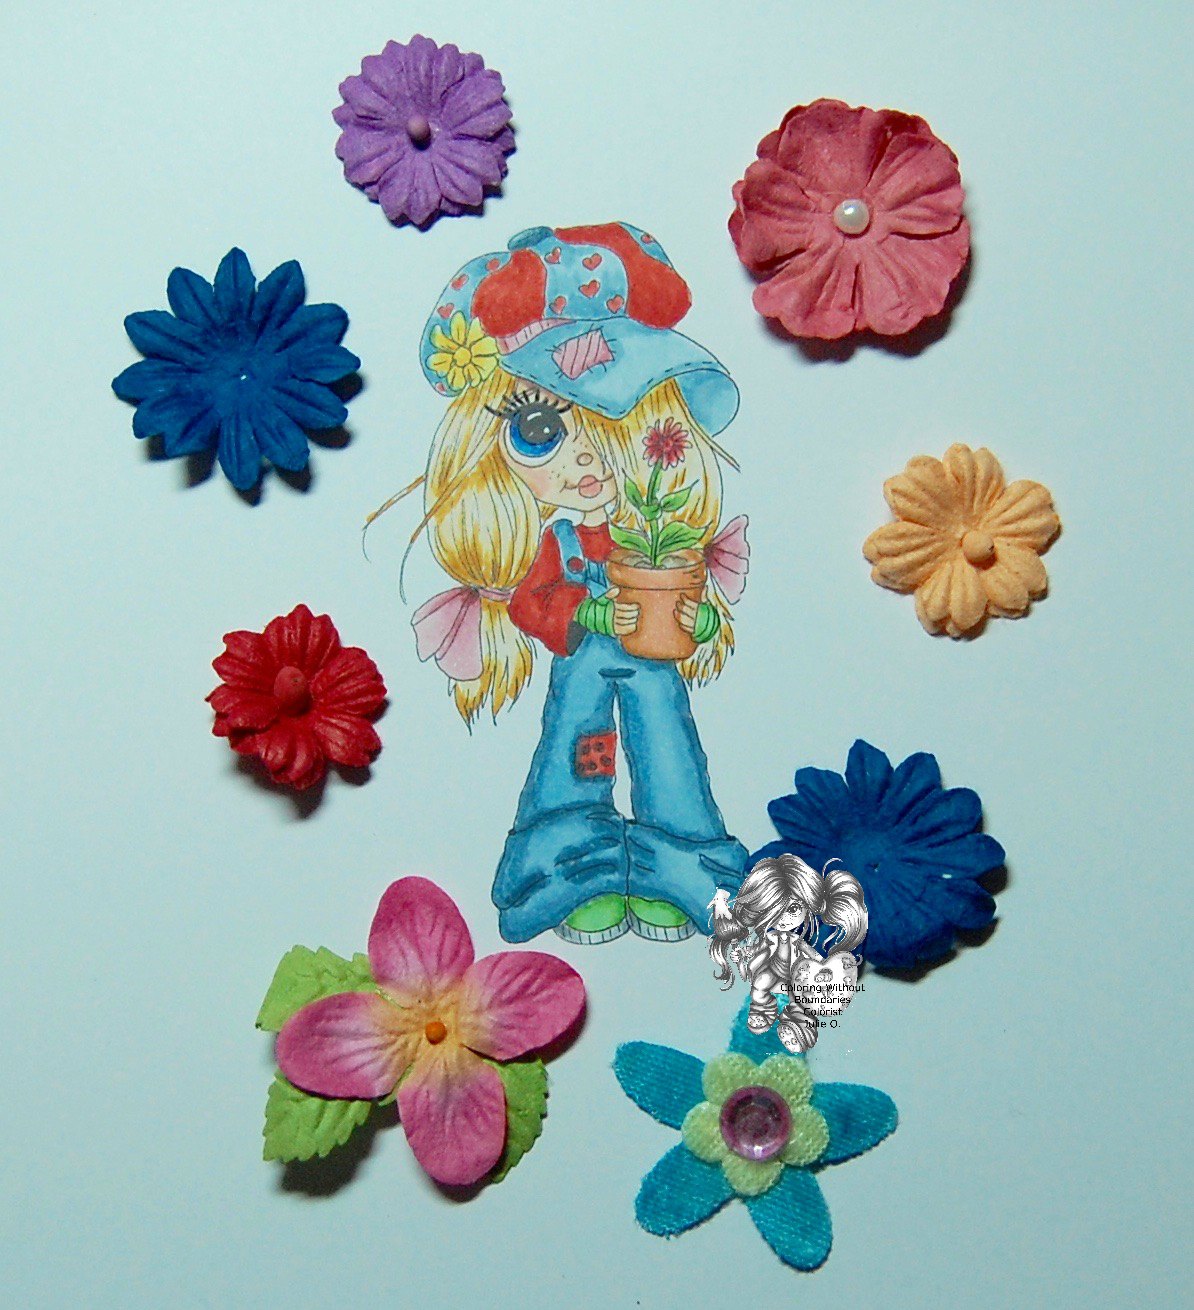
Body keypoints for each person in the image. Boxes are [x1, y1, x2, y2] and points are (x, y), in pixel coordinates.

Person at [394, 222, 750, 944]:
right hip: (582, 665)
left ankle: (682, 863)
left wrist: (699, 616)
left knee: (668, 753)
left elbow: (691, 600)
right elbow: (532, 603)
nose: (587, 459)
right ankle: (572, 867)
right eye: (539, 429)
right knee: (578, 754)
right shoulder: (554, 544)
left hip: (654, 666)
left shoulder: (656, 536)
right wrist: (588, 613)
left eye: (620, 424)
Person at [709, 854, 868, 1052]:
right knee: (760, 983)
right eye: (773, 911)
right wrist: (744, 954)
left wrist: (823, 967)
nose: (783, 919)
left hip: (796, 973)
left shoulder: (798, 941)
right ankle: (763, 1007)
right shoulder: (771, 936)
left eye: (792, 909)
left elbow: (811, 955)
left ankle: (798, 1022)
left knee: (799, 998)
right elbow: (759, 949)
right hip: (773, 970)